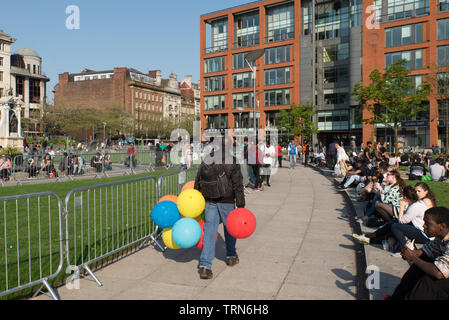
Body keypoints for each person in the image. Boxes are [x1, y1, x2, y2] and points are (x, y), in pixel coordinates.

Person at [194, 138, 245, 280]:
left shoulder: (207, 159)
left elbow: (198, 179)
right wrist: (241, 205)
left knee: (209, 232)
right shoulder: (232, 161)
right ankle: (231, 256)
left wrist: (196, 199)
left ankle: (205, 266)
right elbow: (238, 185)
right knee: (230, 229)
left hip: (209, 199)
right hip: (227, 200)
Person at [387, 207, 449, 300]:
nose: (423, 226)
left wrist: (413, 258)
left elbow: (439, 273)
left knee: (429, 281)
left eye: (427, 224)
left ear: (442, 226)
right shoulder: (441, 237)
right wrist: (410, 253)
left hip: (442, 274)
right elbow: (427, 250)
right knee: (418, 266)